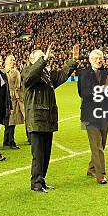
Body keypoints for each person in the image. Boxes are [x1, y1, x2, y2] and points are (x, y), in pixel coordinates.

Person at [23, 43, 79, 193]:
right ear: (32, 59)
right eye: (40, 57)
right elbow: (29, 77)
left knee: (46, 153)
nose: (44, 58)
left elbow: (61, 75)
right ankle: (35, 183)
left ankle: (42, 180)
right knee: (38, 154)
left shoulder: (46, 75)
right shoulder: (28, 72)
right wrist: (44, 59)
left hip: (47, 118)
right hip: (35, 119)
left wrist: (73, 60)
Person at [77, 49, 108, 185]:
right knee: (97, 144)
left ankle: (92, 168)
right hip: (90, 114)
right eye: (96, 58)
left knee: (102, 143)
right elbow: (83, 93)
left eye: (100, 58)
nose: (98, 61)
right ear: (90, 60)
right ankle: (101, 174)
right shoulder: (83, 74)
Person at [3, 54, 27, 147]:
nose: (13, 62)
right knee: (11, 121)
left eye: (14, 60)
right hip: (9, 98)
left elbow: (20, 86)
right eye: (11, 60)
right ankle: (10, 141)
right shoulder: (4, 72)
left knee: (12, 121)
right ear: (6, 62)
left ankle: (7, 140)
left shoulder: (16, 71)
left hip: (16, 98)